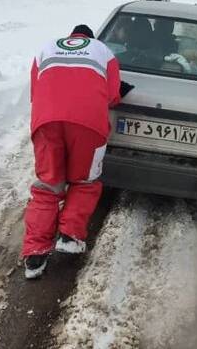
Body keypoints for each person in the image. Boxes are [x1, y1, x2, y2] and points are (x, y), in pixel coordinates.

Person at [23, 24, 134, 279]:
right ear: (91, 39)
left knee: (48, 185)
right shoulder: (104, 52)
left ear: (71, 36)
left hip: (46, 122)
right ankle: (69, 237)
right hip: (88, 125)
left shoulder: (46, 49)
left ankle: (35, 256)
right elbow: (111, 94)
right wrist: (116, 94)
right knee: (85, 181)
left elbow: (35, 91)